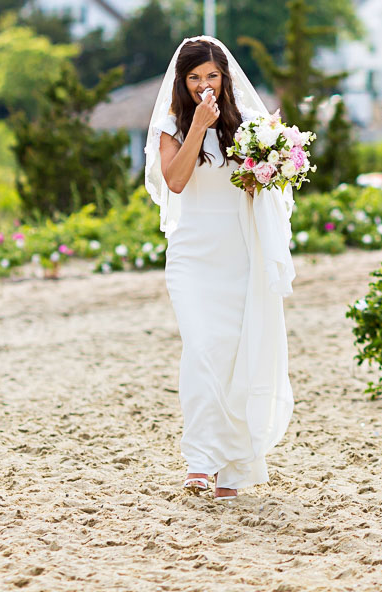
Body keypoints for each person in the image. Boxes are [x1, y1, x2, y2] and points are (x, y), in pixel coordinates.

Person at [144, 36, 294, 502]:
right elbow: (176, 180)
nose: (203, 85)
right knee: (202, 348)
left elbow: (260, 192)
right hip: (192, 254)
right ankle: (199, 462)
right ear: (181, 81)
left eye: (211, 76)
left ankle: (232, 463)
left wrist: (269, 175)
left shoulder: (249, 125)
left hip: (237, 251)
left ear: (225, 77)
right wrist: (197, 129)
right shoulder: (172, 125)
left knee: (233, 357)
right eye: (194, 78)